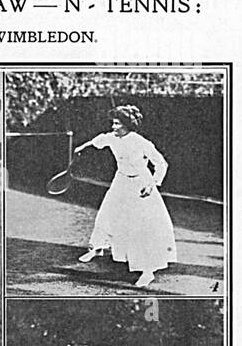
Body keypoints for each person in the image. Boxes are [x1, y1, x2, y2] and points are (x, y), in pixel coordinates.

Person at [74, 104, 176, 289]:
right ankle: (97, 248)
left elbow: (161, 164)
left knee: (142, 227)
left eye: (117, 124)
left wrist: (152, 184)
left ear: (128, 125)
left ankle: (147, 272)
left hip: (141, 184)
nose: (113, 127)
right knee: (106, 215)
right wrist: (82, 147)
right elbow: (98, 140)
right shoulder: (112, 138)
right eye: (113, 123)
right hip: (120, 182)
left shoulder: (141, 142)